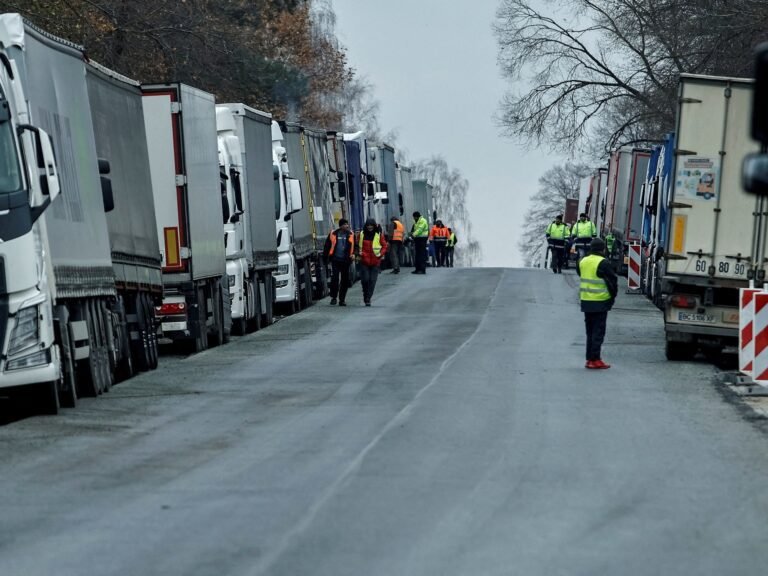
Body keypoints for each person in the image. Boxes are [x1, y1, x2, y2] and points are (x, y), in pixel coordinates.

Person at [577, 237, 618, 369]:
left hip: (586, 301)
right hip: (600, 301)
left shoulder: (582, 261)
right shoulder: (603, 262)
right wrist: (612, 297)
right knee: (598, 332)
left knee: (590, 332)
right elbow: (612, 281)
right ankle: (595, 359)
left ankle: (589, 359)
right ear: (602, 248)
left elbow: (580, 273)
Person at [323, 218, 355, 306]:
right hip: (335, 260)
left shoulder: (351, 234)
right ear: (340, 226)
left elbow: (355, 246)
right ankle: (333, 297)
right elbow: (327, 246)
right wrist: (325, 258)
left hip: (346, 261)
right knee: (335, 279)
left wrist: (354, 254)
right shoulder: (333, 234)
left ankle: (342, 299)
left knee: (345, 280)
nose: (347, 226)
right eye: (345, 224)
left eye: (347, 224)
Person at [357, 218, 388, 306]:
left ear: (374, 226)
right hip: (364, 261)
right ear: (366, 226)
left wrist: (380, 254)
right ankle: (365, 295)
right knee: (365, 280)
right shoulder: (361, 234)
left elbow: (384, 246)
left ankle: (368, 298)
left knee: (372, 281)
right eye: (368, 225)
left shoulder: (379, 235)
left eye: (371, 225)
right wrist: (359, 254)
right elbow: (356, 245)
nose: (370, 227)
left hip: (375, 262)